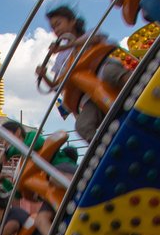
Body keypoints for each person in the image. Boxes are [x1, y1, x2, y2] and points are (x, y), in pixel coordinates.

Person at [35, 7, 130, 142]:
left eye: (58, 24)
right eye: (53, 28)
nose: (56, 30)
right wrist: (43, 76)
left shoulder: (89, 35)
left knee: (111, 73)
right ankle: (105, 145)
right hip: (89, 94)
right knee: (82, 125)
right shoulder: (60, 58)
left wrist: (68, 45)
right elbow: (58, 85)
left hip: (102, 71)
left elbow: (96, 39)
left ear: (72, 22)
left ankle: (139, 90)